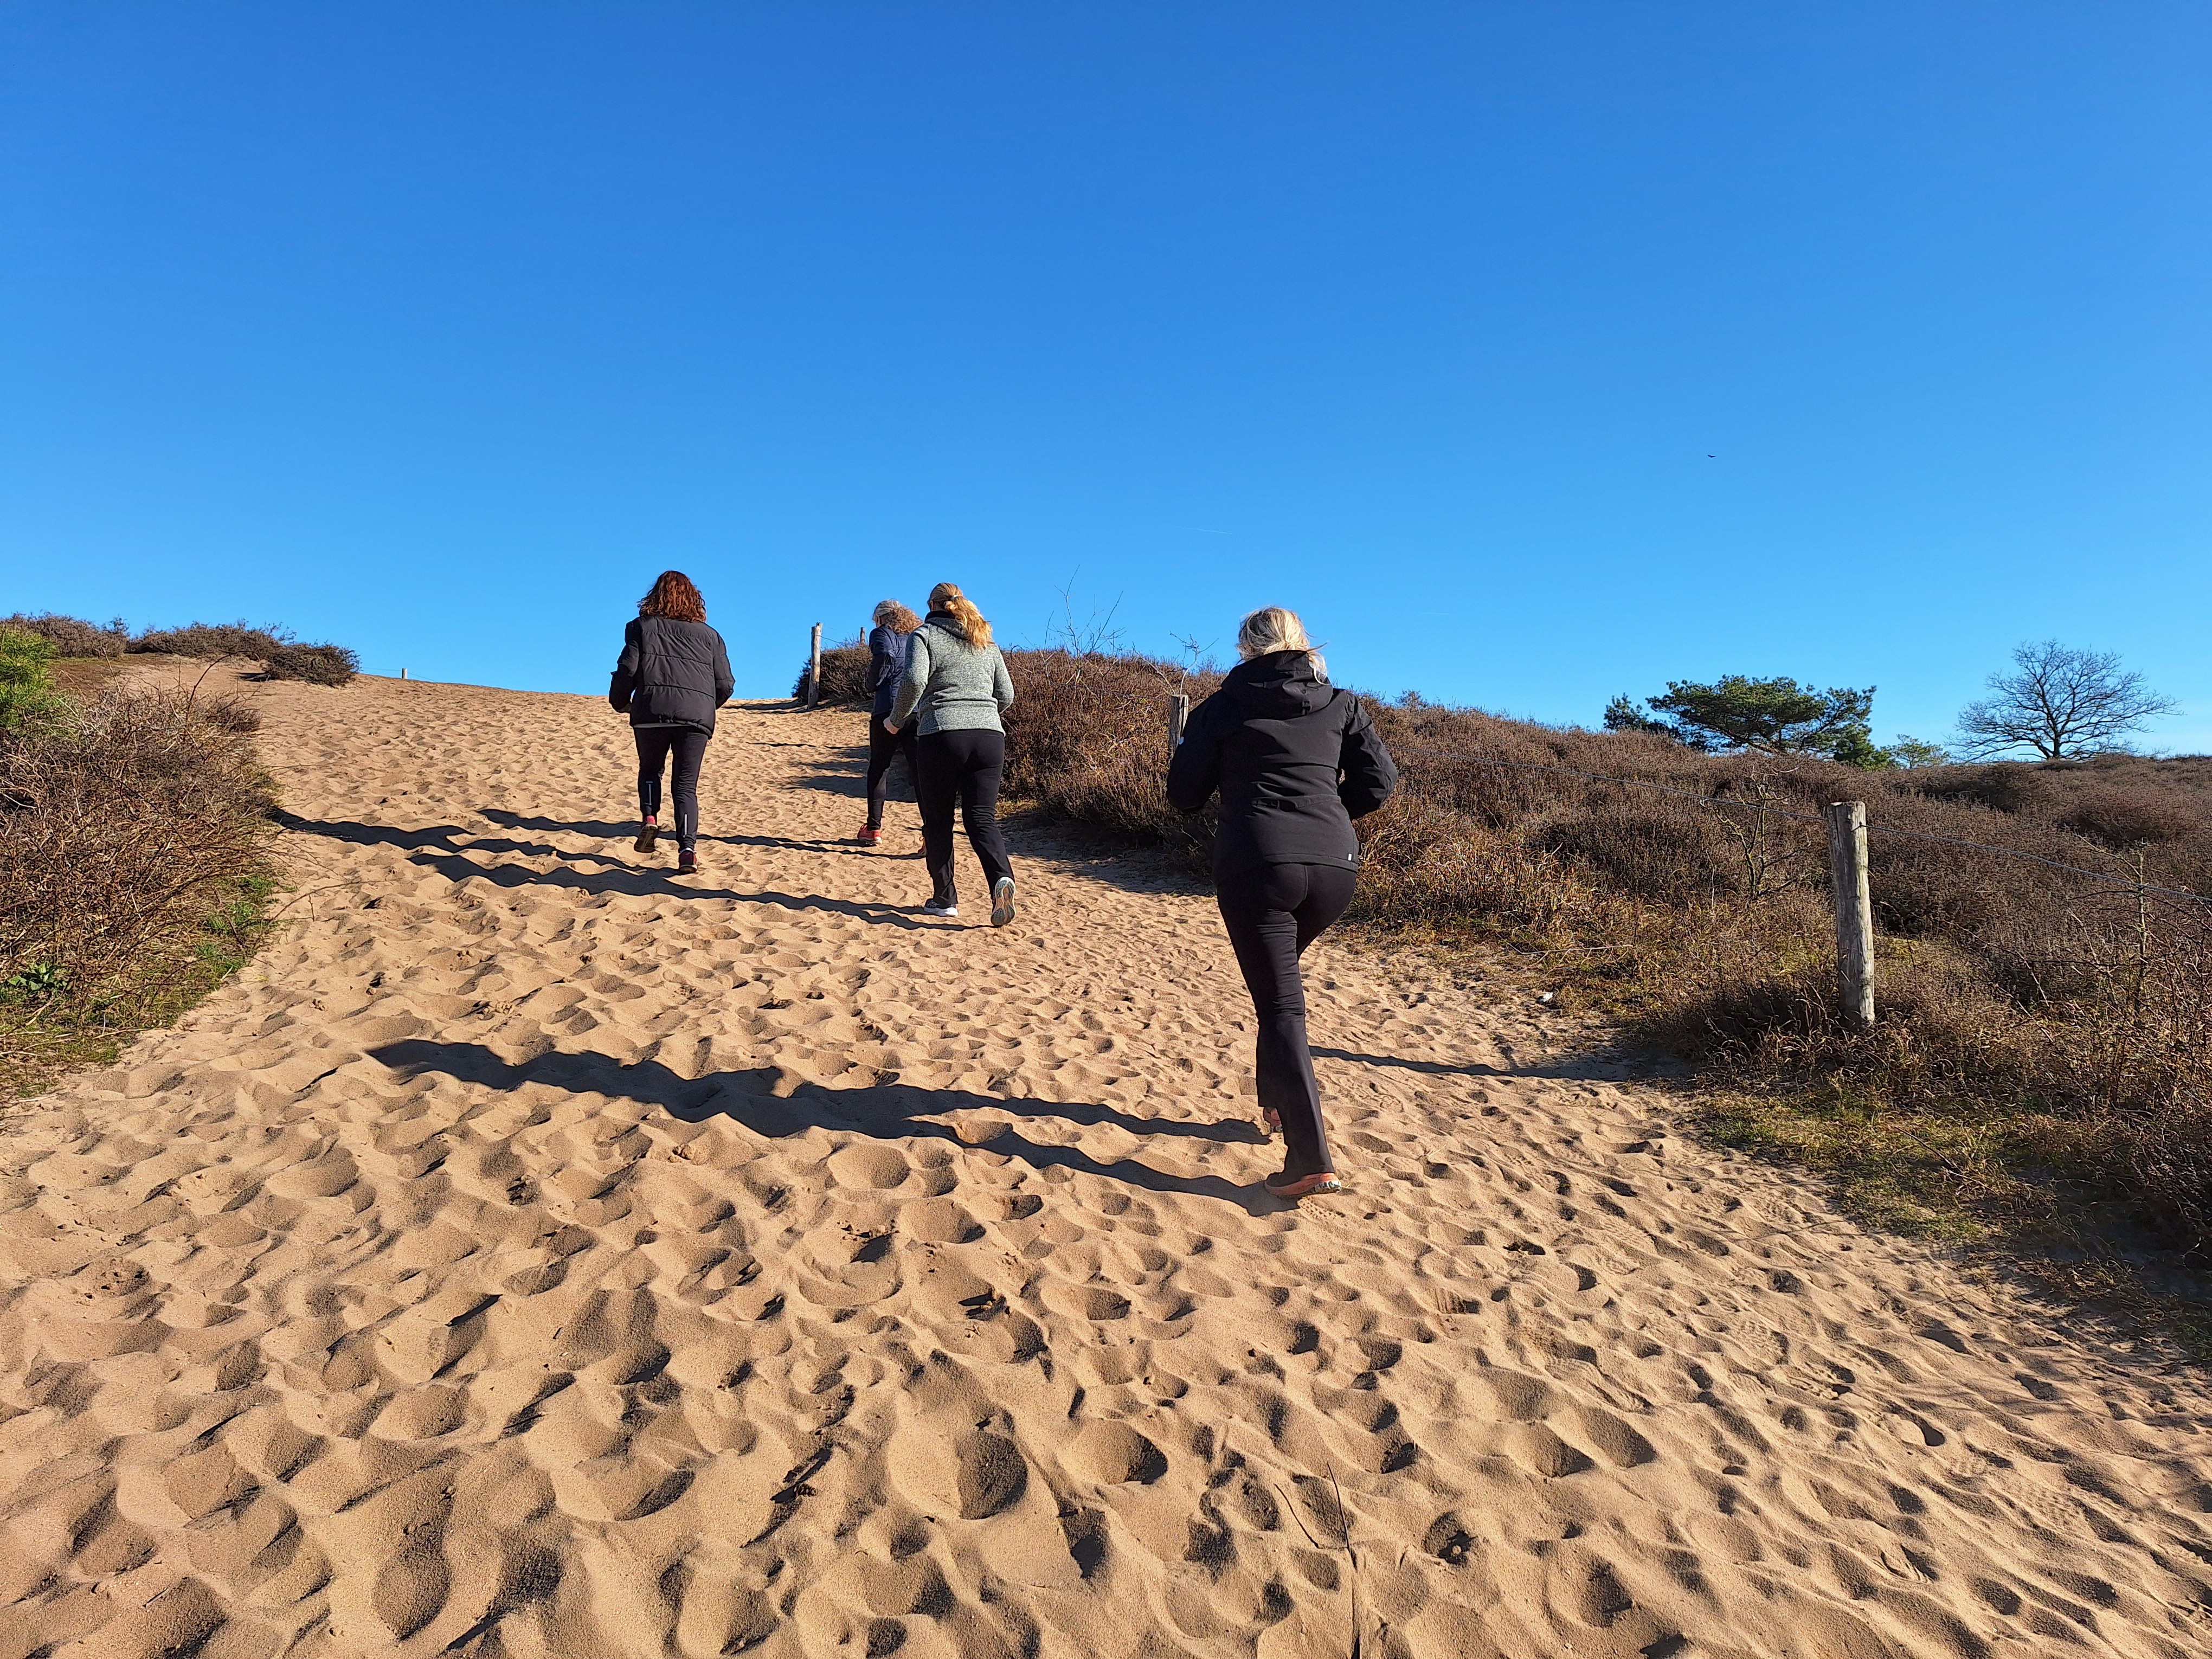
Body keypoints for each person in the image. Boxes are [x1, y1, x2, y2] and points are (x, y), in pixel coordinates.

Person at [1166, 606, 1397, 1200]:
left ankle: (1310, 1160)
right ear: (1303, 646)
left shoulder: (1222, 707)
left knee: (1283, 1008)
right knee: (1277, 993)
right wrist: (1326, 816)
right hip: (1334, 870)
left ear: (1246, 647)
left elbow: (1184, 796)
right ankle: (1273, 1103)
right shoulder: (1342, 703)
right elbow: (1381, 783)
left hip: (1257, 865)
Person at [885, 582, 1017, 925]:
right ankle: (1001, 879)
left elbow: (913, 681)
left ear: (932, 605)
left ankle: (945, 899)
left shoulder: (924, 635)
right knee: (981, 818)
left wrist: (897, 721)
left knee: (939, 819)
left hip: (941, 734)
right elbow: (1007, 694)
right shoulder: (985, 640)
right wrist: (982, 713)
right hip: (990, 736)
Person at [609, 570, 734, 877]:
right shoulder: (711, 636)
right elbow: (727, 684)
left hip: (651, 711)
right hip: (696, 718)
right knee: (686, 786)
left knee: (651, 771)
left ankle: (650, 819)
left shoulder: (641, 627)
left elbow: (628, 669)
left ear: (655, 596)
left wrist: (621, 702)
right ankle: (687, 850)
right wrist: (704, 706)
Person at [858, 600, 922, 846]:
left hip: (887, 708)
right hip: (916, 711)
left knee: (879, 768)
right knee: (920, 773)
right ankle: (930, 834)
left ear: (882, 618)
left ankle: (874, 829)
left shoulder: (881, 633)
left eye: (875, 619)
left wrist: (873, 681)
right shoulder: (917, 637)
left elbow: (884, 654)